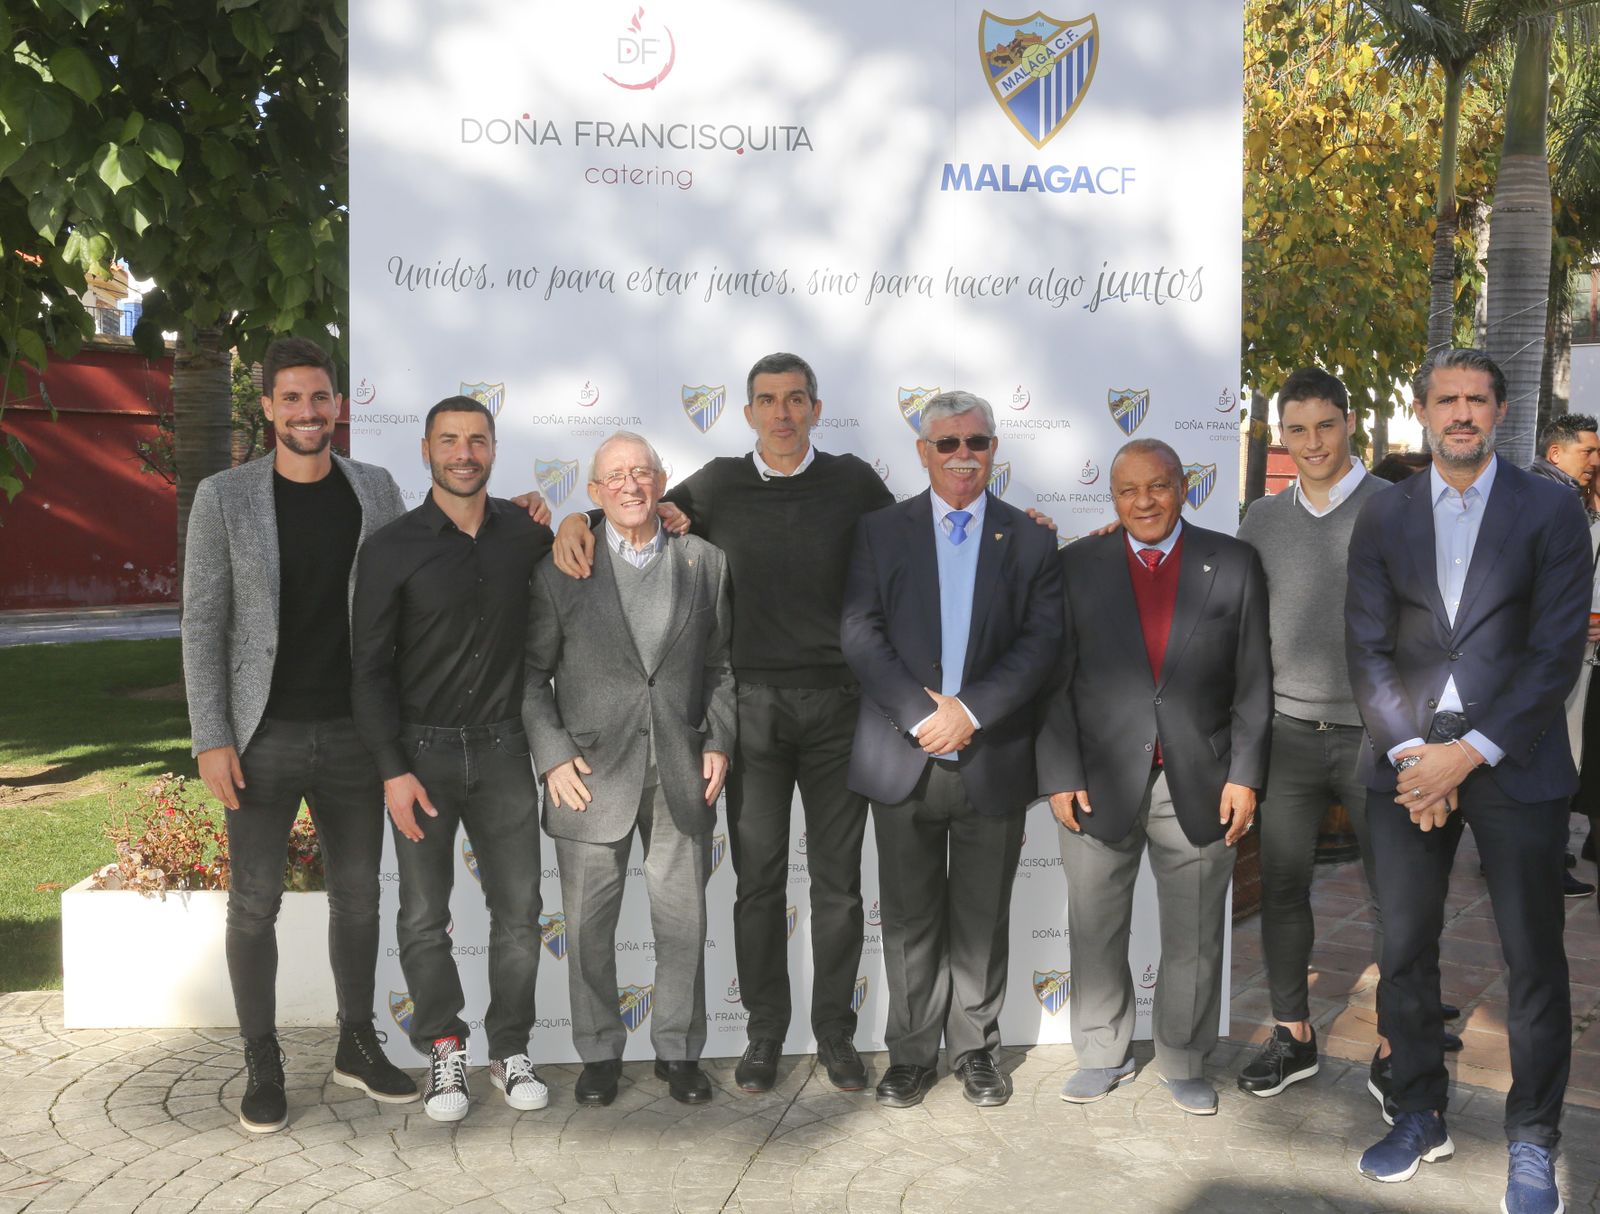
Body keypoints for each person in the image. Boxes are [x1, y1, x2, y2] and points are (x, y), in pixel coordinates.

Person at [549, 353, 893, 1094]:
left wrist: (1018, 521)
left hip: (840, 708)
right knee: (759, 883)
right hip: (755, 714)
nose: (782, 413)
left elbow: (913, 548)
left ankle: (835, 1033)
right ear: (748, 414)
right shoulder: (718, 483)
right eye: (767, 400)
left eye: (796, 399)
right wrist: (574, 521)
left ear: (815, 408)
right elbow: (630, 504)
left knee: (837, 887)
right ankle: (765, 1033)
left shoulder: (857, 482)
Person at [1346, 348, 1589, 1214]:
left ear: (1500, 411)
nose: (1461, 414)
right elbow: (1367, 647)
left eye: (1476, 400)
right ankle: (1419, 1111)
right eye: (1446, 399)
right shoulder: (1385, 514)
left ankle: (1533, 1140)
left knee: (1532, 963)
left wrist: (1469, 750)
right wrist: (1417, 754)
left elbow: (1556, 651)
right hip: (1407, 766)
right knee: (1403, 950)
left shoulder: (1549, 511)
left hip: (1514, 762)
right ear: (1422, 410)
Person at [182, 337, 419, 1132]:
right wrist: (212, 735)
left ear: (339, 406)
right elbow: (202, 624)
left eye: (319, 398)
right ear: (269, 407)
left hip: (358, 736)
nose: (307, 412)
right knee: (254, 904)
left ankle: (356, 1044)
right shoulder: (224, 497)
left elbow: (424, 572)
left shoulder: (378, 490)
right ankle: (263, 1059)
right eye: (291, 398)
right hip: (261, 737)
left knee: (359, 899)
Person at [1233, 368, 1461, 1101]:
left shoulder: (1400, 508)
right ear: (1279, 436)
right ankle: (1292, 1034)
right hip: (1290, 735)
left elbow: (1434, 633)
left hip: (1383, 740)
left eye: (1324, 426)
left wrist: (1425, 740)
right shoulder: (1260, 520)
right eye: (1295, 430)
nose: (1311, 443)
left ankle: (1399, 1042)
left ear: (1351, 423)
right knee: (1285, 889)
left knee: (1399, 897)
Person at [840, 390, 1062, 1109]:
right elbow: (859, 632)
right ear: (923, 451)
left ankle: (975, 1051)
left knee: (981, 917)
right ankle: (909, 1054)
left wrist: (970, 712)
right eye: (948, 444)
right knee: (907, 920)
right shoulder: (879, 530)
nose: (964, 456)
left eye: (978, 442)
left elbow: (1041, 644)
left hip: (989, 756)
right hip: (902, 758)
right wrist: (918, 715)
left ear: (995, 449)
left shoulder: (1030, 539)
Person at [1039, 437, 1270, 1116]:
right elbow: (1052, 681)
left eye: (1159, 486)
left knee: (1196, 936)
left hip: (1201, 779)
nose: (1144, 501)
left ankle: (1185, 1058)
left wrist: (1246, 774)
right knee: (1094, 927)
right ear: (1112, 498)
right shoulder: (1077, 565)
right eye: (1128, 490)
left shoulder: (1233, 562)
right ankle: (1102, 1053)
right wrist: (1058, 772)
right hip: (1096, 778)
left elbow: (1255, 683)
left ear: (1185, 488)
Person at [351, 395, 554, 1123]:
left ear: (494, 448)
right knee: (424, 916)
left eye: (477, 440)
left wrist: (575, 519)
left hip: (505, 751)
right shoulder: (392, 547)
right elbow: (368, 668)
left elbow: (592, 541)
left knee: (521, 914)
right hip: (421, 757)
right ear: (426, 450)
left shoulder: (526, 536)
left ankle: (511, 1048)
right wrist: (390, 767)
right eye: (449, 441)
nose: (464, 453)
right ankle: (444, 1046)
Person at [523, 431, 736, 1106]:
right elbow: (529, 677)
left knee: (683, 924)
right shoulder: (560, 568)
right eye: (615, 476)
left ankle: (678, 1053)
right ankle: (600, 1054)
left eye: (643, 473)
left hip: (680, 771)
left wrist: (719, 740)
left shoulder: (705, 564)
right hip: (588, 776)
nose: (631, 486)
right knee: (586, 930)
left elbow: (724, 668)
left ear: (662, 481)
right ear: (593, 492)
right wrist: (552, 755)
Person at [1528, 413, 1600, 899]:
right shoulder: (1547, 499)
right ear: (1556, 453)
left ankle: (1537, 854)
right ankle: (1539, 862)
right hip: (1553, 654)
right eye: (1588, 452)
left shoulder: (1559, 496)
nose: (1595, 462)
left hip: (1562, 649)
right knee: (1552, 758)